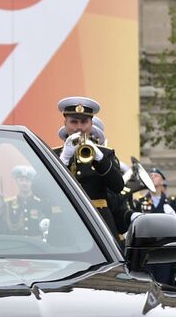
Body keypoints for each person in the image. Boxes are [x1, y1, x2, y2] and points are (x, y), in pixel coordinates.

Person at [53, 97, 125, 236]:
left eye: (84, 122)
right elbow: (42, 190)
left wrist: (100, 158)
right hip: (63, 224)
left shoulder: (105, 154)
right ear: (65, 123)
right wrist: (63, 159)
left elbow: (118, 186)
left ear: (91, 124)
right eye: (73, 122)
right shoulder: (54, 154)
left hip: (98, 223)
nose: (79, 127)